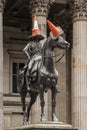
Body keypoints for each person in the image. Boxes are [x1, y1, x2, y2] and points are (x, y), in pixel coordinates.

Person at [23, 15, 45, 84]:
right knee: (29, 68)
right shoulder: (30, 44)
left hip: (40, 57)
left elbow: (42, 51)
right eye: (36, 37)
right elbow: (25, 50)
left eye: (38, 37)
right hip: (33, 57)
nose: (37, 39)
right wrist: (29, 56)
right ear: (33, 38)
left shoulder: (40, 44)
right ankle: (28, 81)